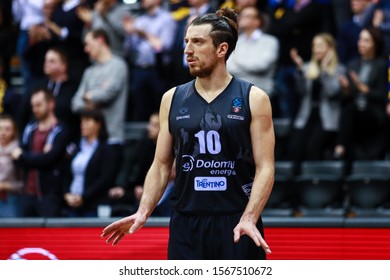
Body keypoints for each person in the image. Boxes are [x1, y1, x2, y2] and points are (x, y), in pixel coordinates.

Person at [102, 8, 275, 260]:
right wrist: (143, 211)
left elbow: (266, 167)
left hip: (237, 223)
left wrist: (250, 217)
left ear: (221, 49)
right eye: (186, 42)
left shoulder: (254, 98)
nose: (187, 50)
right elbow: (161, 165)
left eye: (198, 42)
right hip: (186, 223)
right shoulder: (171, 98)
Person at [72, 28, 128, 174]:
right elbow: (75, 103)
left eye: (88, 44)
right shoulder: (89, 71)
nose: (86, 49)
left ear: (100, 40)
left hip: (112, 137)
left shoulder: (118, 65)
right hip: (90, 141)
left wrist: (88, 96)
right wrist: (91, 97)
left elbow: (107, 94)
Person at [286, 33, 346, 162]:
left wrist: (324, 72)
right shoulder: (308, 67)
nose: (316, 49)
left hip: (326, 118)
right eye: (314, 45)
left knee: (312, 149)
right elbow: (300, 92)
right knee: (294, 148)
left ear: (330, 48)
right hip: (306, 115)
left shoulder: (339, 70)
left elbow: (333, 92)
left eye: (320, 45)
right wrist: (300, 70)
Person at [12, 87, 70, 217]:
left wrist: (23, 156)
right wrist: (37, 157)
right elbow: (16, 158)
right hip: (28, 193)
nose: (35, 109)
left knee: (50, 236)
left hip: (50, 195)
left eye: (38, 105)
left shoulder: (60, 130)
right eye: (33, 106)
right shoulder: (30, 129)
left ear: (51, 104)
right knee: (25, 236)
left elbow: (49, 160)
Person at [334, 27, 387, 160]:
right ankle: (341, 150)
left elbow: (383, 95)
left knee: (349, 111)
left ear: (375, 43)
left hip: (373, 111)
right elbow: (344, 98)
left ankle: (340, 147)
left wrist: (363, 88)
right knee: (348, 109)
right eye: (360, 39)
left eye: (366, 40)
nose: (361, 43)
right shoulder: (352, 64)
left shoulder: (382, 65)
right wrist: (346, 89)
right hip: (354, 111)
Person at [123, 0, 177, 121]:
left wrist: (143, 34)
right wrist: (128, 33)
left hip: (158, 70)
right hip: (139, 68)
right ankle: (142, 139)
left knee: (161, 109)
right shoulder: (139, 20)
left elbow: (165, 46)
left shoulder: (166, 19)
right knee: (140, 109)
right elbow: (128, 50)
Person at [63, 110, 117, 217]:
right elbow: (66, 173)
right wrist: (66, 194)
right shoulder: (76, 147)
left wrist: (83, 197)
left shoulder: (107, 149)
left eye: (87, 121)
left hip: (93, 206)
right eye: (82, 121)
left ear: (98, 124)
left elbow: (105, 179)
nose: (83, 124)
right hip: (72, 204)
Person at [227, 6, 279, 99]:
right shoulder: (236, 41)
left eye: (247, 16)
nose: (242, 18)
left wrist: (238, 61)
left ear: (257, 21)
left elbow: (261, 66)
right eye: (241, 16)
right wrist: (248, 66)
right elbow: (228, 67)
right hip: (235, 91)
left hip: (261, 91)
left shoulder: (270, 41)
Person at [0, 115, 23, 217]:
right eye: (0, 129)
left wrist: (6, 186)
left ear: (14, 131)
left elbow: (24, 182)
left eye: (7, 129)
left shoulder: (19, 151)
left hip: (10, 198)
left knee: (11, 230)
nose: (3, 133)